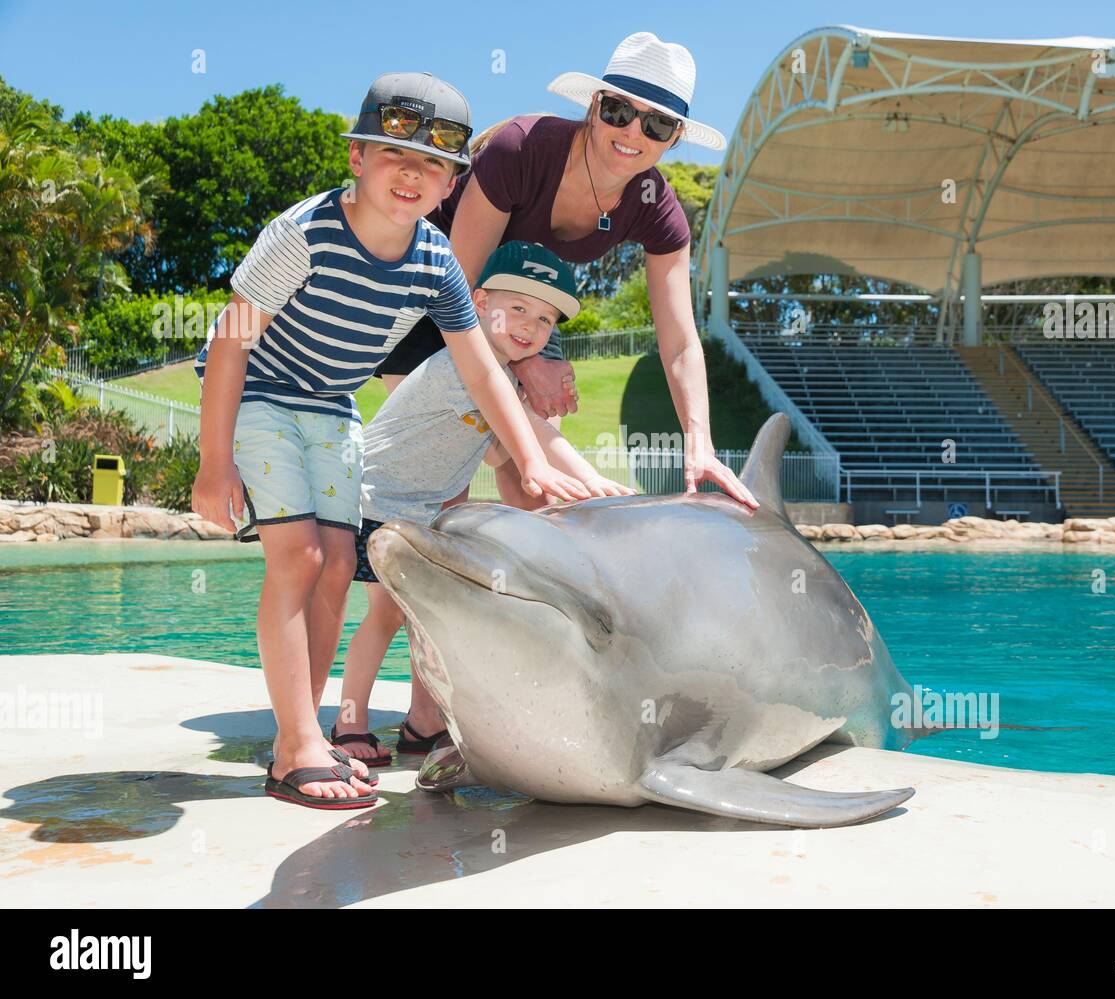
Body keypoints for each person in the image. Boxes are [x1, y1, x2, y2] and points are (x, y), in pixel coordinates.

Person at [190, 72, 591, 810]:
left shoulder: (435, 262)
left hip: (334, 409)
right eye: (393, 154)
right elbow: (229, 340)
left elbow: (481, 369)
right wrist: (215, 463)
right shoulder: (303, 234)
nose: (413, 174)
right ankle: (296, 748)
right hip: (263, 396)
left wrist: (533, 463)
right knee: (301, 555)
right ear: (355, 158)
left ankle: (302, 734)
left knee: (341, 562)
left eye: (434, 164)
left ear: (451, 184)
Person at [374, 31, 758, 514]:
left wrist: (699, 443)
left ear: (675, 137)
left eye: (658, 125)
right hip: (438, 292)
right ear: (595, 105)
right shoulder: (522, 150)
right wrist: (526, 361)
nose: (633, 133)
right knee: (444, 487)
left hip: (525, 301)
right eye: (620, 111)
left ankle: (528, 592)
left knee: (538, 487)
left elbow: (680, 342)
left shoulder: (655, 207)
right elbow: (459, 289)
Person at [333, 242, 635, 766]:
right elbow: (535, 431)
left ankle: (421, 726)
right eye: (517, 307)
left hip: (420, 512)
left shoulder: (495, 379)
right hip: (379, 502)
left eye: (544, 318)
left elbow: (502, 445)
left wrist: (587, 479)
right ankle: (349, 725)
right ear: (477, 302)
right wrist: (590, 479)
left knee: (424, 620)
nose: (530, 325)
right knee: (384, 617)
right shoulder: (463, 368)